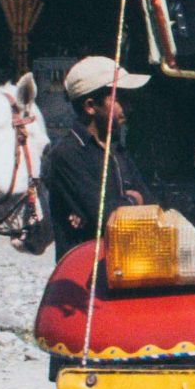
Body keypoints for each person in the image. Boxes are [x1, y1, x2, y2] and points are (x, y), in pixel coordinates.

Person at [43, 56, 150, 258]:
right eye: (119, 98)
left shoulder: (116, 150)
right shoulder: (67, 155)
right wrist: (134, 200)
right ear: (90, 106)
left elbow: (152, 204)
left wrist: (127, 203)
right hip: (85, 271)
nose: (128, 107)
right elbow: (104, 217)